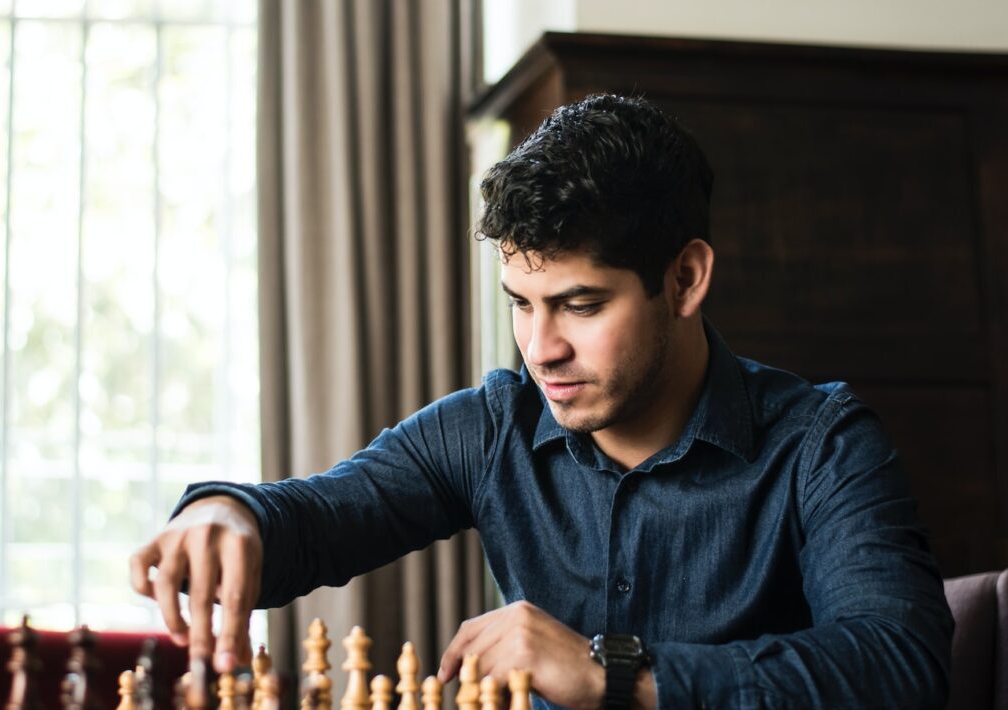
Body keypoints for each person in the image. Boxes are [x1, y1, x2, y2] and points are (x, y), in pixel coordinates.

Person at [130, 94, 953, 709]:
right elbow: (321, 517)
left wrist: (617, 678)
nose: (541, 347)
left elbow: (900, 665)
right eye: (522, 303)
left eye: (582, 305)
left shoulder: (822, 444)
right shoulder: (496, 426)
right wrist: (229, 514)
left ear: (686, 278)